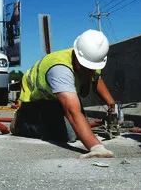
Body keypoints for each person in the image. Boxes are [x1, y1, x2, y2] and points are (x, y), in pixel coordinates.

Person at [10, 29, 118, 159]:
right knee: (67, 134)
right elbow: (72, 112)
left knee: (78, 130)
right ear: (77, 55)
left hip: (57, 100)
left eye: (92, 68)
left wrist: (112, 105)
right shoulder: (60, 68)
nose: (90, 71)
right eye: (86, 67)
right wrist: (96, 147)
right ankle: (20, 123)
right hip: (36, 103)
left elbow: (96, 78)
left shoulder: (91, 60)